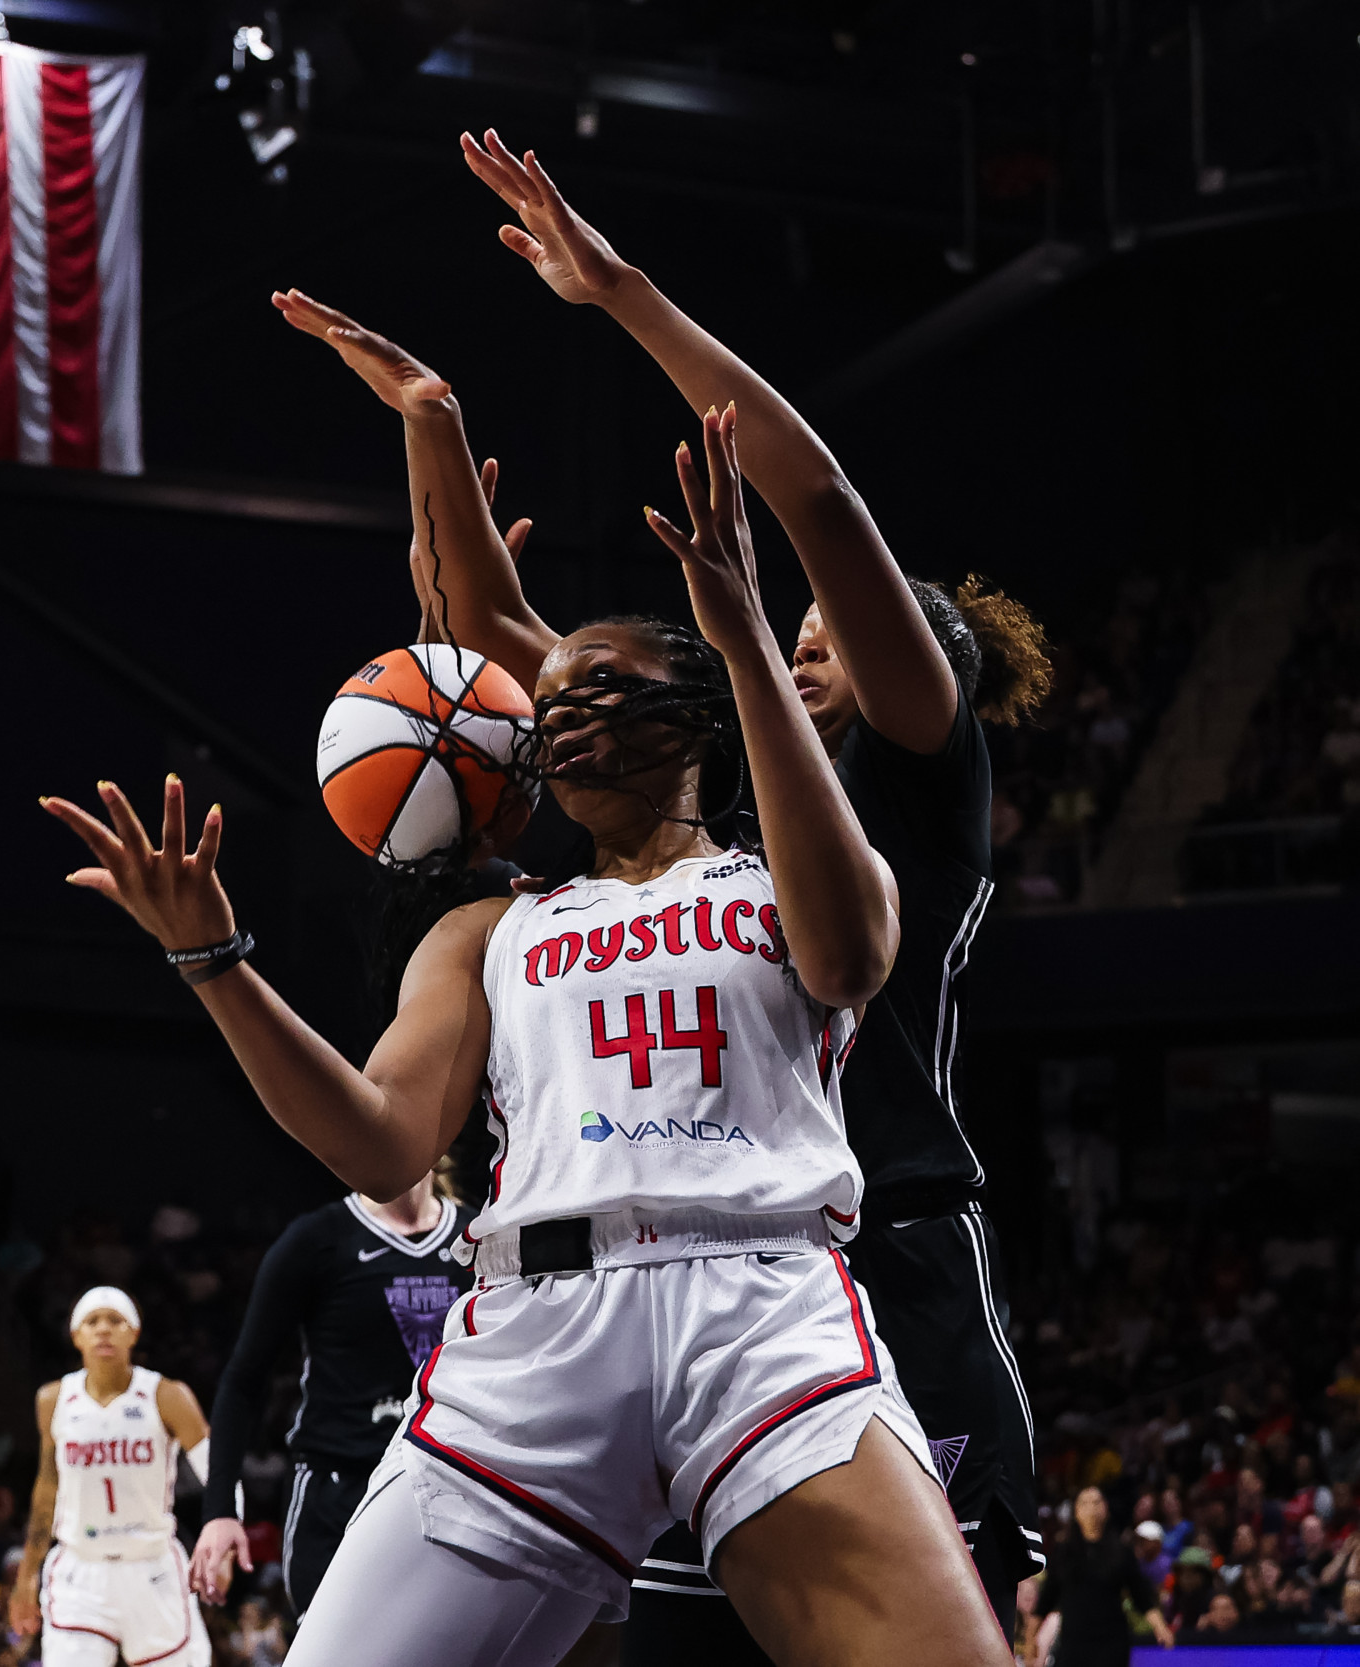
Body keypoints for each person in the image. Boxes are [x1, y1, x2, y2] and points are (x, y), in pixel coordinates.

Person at [41, 399, 1002, 1664]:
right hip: (535, 1330)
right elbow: (381, 1146)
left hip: (762, 1308)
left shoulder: (791, 871)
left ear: (701, 717)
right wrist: (213, 961)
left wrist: (744, 635)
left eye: (607, 687)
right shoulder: (492, 924)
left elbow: (850, 957)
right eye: (551, 707)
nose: (568, 714)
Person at [338, 129, 1052, 1655]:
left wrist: (626, 298)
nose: (799, 642)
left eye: (832, 634)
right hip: (678, 1285)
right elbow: (512, 653)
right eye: (781, 632)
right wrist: (435, 433)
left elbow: (821, 506)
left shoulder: (918, 772)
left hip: (887, 1253)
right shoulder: (717, 810)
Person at [190, 1171, 476, 1616]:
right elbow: (244, 1378)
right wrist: (219, 1510)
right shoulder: (317, 1239)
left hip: (451, 1487)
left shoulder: (480, 1237)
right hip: (337, 1490)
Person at [6, 1288, 213, 1667]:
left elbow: (218, 1472)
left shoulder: (166, 1395)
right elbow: (47, 1489)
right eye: (92, 1321)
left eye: (115, 1321)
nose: (104, 1329)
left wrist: (222, 1536)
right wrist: (26, 1577)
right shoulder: (53, 1399)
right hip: (81, 1571)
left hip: (150, 1567)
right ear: (76, 1336)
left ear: (133, 1333)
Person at [1033, 1487, 1175, 1663]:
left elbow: (1141, 1595)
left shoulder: (1121, 1551)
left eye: (1097, 1502)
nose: (1091, 1508)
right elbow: (1046, 1599)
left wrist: (1160, 1627)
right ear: (1076, 1512)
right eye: (1084, 1503)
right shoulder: (1063, 1552)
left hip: (1112, 1643)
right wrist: (1031, 1637)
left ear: (1106, 1509)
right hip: (1073, 1643)